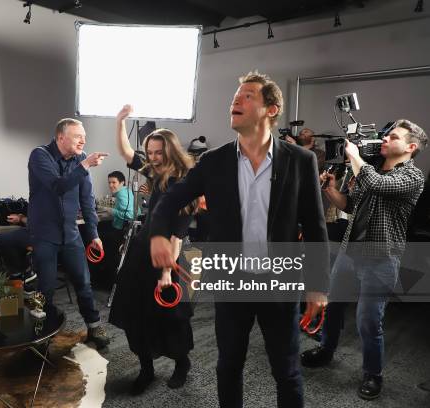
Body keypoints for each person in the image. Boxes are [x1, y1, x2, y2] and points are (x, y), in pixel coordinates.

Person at [148, 71, 330, 408]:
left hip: (280, 282)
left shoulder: (301, 161)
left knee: (286, 371)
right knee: (229, 365)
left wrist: (318, 286)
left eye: (248, 95)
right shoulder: (213, 162)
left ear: (271, 109)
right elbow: (171, 199)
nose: (236, 100)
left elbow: (316, 228)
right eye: (235, 95)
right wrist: (158, 235)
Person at [301, 119, 427, 400]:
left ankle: (372, 374)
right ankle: (326, 348)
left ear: (410, 147)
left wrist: (355, 156)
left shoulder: (411, 176)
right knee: (333, 307)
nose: (385, 139)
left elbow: (379, 185)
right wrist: (331, 189)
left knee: (368, 321)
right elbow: (350, 205)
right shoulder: (372, 170)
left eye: (392, 137)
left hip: (381, 259)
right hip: (350, 252)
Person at [109, 104, 196, 395]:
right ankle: (146, 368)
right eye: (151, 152)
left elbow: (179, 234)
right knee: (136, 315)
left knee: (171, 319)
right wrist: (120, 121)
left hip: (168, 257)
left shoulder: (185, 184)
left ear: (171, 151)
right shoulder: (154, 172)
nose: (155, 158)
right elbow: (125, 153)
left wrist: (167, 273)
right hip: (140, 254)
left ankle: (182, 364)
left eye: (160, 153)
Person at [27, 117, 110, 348]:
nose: (83, 140)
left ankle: (94, 327)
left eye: (84, 136)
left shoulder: (81, 159)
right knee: (46, 287)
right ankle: (41, 335)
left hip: (70, 233)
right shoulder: (40, 155)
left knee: (84, 282)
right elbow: (58, 186)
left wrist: (93, 234)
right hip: (44, 234)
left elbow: (87, 199)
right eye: (77, 136)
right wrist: (84, 167)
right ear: (61, 137)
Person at [93, 171, 135, 286]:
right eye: (109, 182)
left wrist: (110, 210)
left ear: (122, 182)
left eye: (114, 182)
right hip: (124, 230)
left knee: (94, 236)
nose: (111, 185)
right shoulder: (126, 191)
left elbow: (131, 215)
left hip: (120, 231)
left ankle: (97, 278)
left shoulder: (121, 194)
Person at [0, 213, 37, 295]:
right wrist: (20, 218)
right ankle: (19, 274)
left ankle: (27, 274)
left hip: (46, 235)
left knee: (6, 240)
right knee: (3, 239)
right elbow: (35, 221)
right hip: (33, 230)